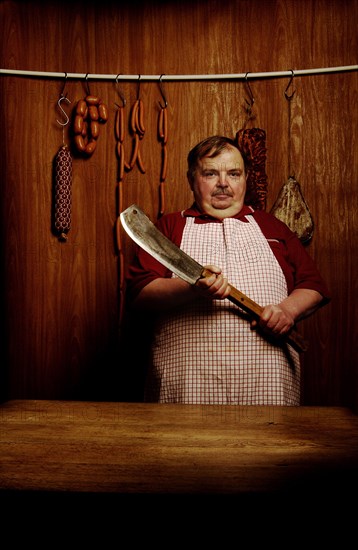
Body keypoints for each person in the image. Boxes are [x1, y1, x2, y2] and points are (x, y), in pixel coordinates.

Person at [125, 135, 330, 405]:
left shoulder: (272, 227)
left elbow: (312, 286)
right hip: (188, 382)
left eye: (234, 173)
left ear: (245, 179)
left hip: (266, 381)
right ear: (192, 179)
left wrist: (287, 311)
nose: (223, 183)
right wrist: (191, 287)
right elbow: (140, 294)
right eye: (210, 173)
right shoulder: (170, 227)